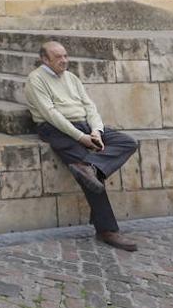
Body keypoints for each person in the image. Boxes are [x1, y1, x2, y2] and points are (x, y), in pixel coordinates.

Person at [26, 41, 141, 251]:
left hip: (84, 125)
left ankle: (90, 167)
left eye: (65, 56)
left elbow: (89, 106)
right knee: (91, 180)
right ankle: (108, 230)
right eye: (58, 57)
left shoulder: (72, 78)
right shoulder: (36, 80)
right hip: (56, 129)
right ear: (44, 59)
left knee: (126, 142)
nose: (64, 61)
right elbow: (50, 114)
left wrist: (96, 131)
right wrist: (81, 138)